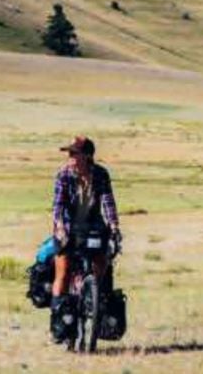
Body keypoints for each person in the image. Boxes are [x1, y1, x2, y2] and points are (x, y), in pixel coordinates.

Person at [49, 135, 121, 341]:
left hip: (93, 225)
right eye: (69, 153)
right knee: (62, 272)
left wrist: (114, 226)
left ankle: (94, 297)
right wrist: (60, 227)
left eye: (74, 153)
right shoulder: (63, 175)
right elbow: (58, 206)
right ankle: (57, 323)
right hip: (69, 227)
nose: (70, 157)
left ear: (87, 156)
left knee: (104, 260)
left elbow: (108, 202)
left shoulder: (100, 174)